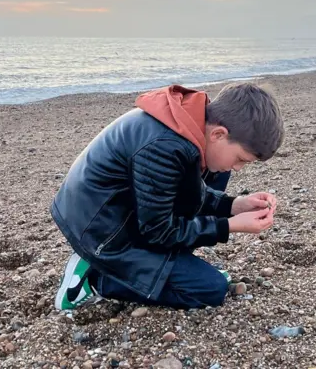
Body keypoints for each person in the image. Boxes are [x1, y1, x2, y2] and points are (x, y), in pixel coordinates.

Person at [50, 82, 285, 311]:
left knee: (217, 174)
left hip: (122, 209)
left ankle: (170, 263)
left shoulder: (191, 126)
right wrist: (228, 226)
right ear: (218, 134)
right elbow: (158, 231)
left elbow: (188, 193)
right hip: (99, 231)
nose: (239, 168)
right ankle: (93, 279)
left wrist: (233, 205)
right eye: (241, 159)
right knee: (210, 289)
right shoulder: (164, 147)